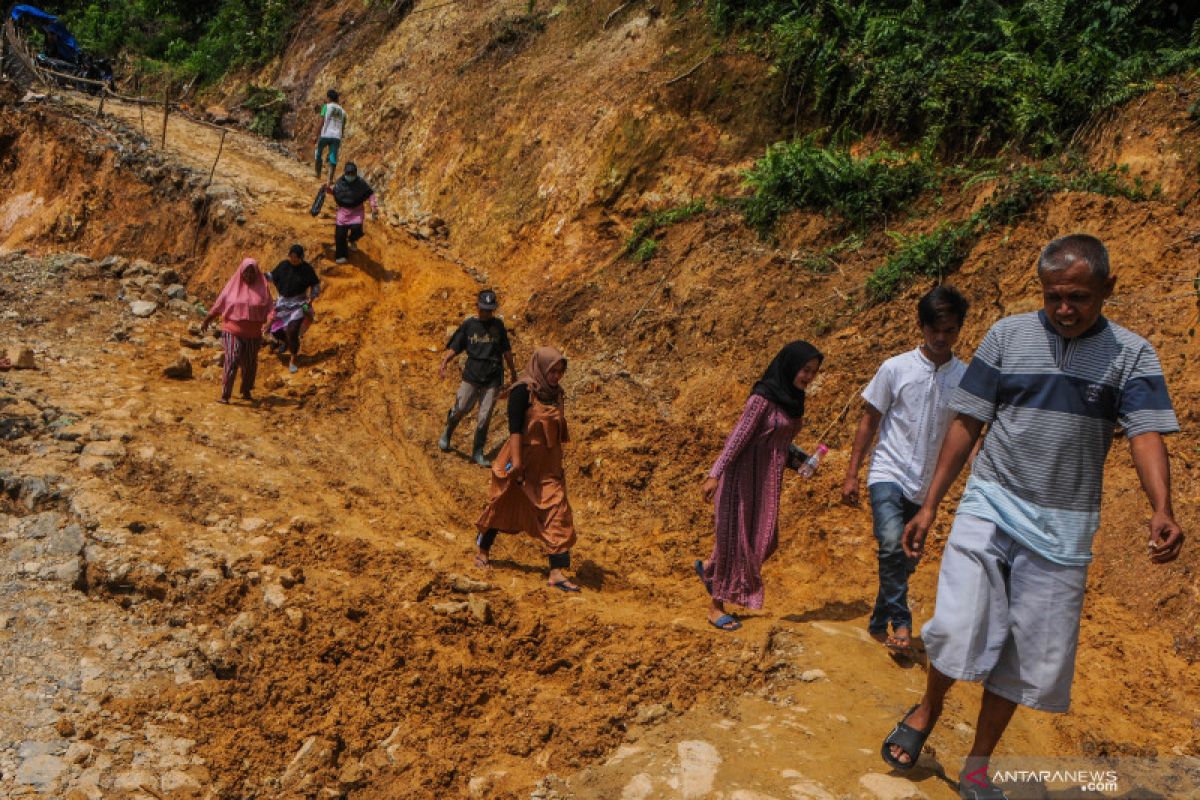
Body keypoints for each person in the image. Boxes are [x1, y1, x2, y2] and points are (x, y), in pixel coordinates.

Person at [880, 235, 1184, 800]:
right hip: (990, 504)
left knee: (1024, 656)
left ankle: (978, 763)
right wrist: (930, 503)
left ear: (1108, 290)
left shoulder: (1132, 353)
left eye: (1078, 297)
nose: (1064, 309)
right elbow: (967, 422)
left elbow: (1144, 433)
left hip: (1064, 529)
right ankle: (928, 707)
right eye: (1053, 296)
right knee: (956, 624)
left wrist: (1161, 508)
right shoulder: (1007, 335)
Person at [842, 286, 970, 655]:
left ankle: (879, 619)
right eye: (935, 330)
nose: (942, 338)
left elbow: (970, 431)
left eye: (949, 330)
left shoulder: (966, 378)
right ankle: (901, 619)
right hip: (888, 469)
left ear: (959, 329)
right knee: (889, 539)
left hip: (928, 483)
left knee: (906, 555)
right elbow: (870, 420)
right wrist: (853, 473)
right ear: (922, 327)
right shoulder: (895, 368)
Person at [696, 341, 824, 632]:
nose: (808, 377)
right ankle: (715, 608)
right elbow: (738, 437)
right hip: (740, 480)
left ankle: (709, 569)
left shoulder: (793, 401)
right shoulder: (762, 399)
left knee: (766, 540)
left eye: (813, 373)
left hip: (766, 483)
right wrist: (715, 473)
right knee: (735, 541)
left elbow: (778, 443)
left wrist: (800, 462)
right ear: (791, 365)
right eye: (805, 370)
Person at [475, 347, 580, 592]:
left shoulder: (555, 394)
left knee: (557, 510)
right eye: (552, 371)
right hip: (520, 460)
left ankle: (556, 571)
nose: (556, 376)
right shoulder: (523, 391)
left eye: (559, 371)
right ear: (541, 368)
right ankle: (483, 548)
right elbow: (515, 429)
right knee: (503, 504)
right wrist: (518, 464)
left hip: (546, 467)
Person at [438, 289, 519, 466]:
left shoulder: (498, 326)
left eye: (489, 310)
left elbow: (506, 351)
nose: (486, 313)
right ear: (478, 308)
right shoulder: (469, 325)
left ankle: (477, 451)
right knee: (461, 408)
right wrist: (445, 361)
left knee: (484, 416)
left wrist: (513, 372)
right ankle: (448, 432)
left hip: (492, 378)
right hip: (472, 375)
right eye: (483, 309)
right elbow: (457, 346)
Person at [200, 257, 273, 403]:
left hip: (253, 334)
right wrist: (208, 319)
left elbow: (271, 308)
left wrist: (270, 322)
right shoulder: (232, 286)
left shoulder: (263, 288)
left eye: (252, 273)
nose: (249, 276)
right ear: (241, 272)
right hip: (232, 330)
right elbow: (219, 304)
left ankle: (246, 390)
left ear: (257, 273)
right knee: (232, 358)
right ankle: (225, 395)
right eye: (246, 272)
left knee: (250, 363)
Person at [265, 244, 320, 374]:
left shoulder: (307, 269)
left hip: (298, 304)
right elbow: (272, 276)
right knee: (275, 331)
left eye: (295, 257)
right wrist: (260, 275)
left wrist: (311, 299)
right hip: (282, 304)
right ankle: (287, 342)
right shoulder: (284, 265)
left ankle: (293, 358)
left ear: (301, 257)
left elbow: (315, 285)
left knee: (292, 330)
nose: (292, 259)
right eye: (291, 256)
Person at [326, 162, 378, 264]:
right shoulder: (340, 182)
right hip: (343, 212)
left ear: (355, 173)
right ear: (345, 173)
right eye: (348, 174)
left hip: (356, 211)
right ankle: (341, 256)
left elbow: (370, 193)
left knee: (357, 229)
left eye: (352, 174)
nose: (350, 176)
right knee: (340, 235)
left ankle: (352, 239)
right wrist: (328, 190)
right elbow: (335, 192)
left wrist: (373, 206)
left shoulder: (361, 183)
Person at [315, 89, 346, 179]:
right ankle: (330, 179)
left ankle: (318, 174)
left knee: (318, 153)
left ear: (328, 98)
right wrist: (340, 136)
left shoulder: (326, 107)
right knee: (333, 157)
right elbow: (343, 126)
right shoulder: (343, 111)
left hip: (326, 134)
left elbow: (321, 121)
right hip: (337, 136)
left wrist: (315, 134)